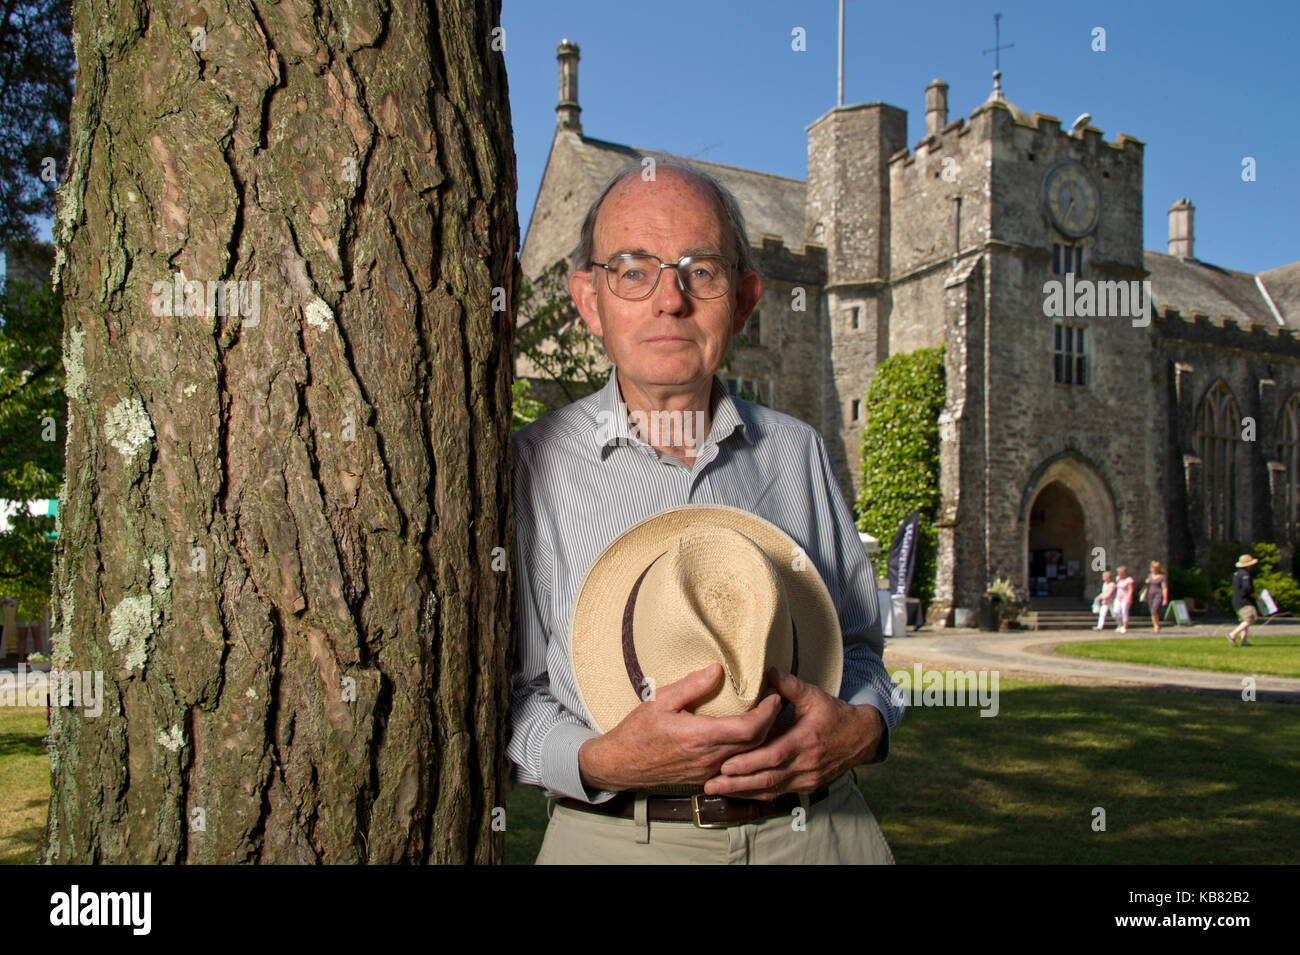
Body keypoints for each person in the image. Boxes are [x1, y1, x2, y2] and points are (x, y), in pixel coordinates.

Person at [509, 160, 901, 864]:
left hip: (821, 834)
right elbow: (508, 695)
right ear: (589, 300)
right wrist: (598, 762)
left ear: (745, 300)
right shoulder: (530, 467)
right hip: (617, 842)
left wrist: (864, 727)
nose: (670, 300)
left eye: (701, 272)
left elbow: (863, 647)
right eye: (633, 270)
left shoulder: (798, 451)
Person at [1227, 554, 1258, 646]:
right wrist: (1255, 595)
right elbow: (1247, 588)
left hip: (1236, 601)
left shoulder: (1237, 573)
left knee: (1243, 621)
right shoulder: (1245, 574)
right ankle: (1233, 634)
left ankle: (1244, 641)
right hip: (1244, 601)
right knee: (1251, 618)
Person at [1141, 561, 1169, 634]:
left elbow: (1164, 588)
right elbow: (1147, 586)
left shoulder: (1162, 577)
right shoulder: (1150, 576)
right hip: (1150, 594)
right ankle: (1156, 625)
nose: (1152, 569)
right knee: (1152, 611)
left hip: (1158, 594)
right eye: (1152, 568)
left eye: (1154, 568)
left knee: (1154, 609)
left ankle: (1156, 626)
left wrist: (1165, 598)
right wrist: (1147, 582)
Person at [1113, 566, 1134, 634]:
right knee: (1116, 612)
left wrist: (1129, 598)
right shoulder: (1118, 579)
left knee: (1124, 611)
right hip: (1118, 598)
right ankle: (1120, 624)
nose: (1119, 574)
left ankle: (1124, 626)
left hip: (1125, 598)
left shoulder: (1128, 580)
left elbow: (1131, 590)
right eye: (1118, 573)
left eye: (1120, 573)